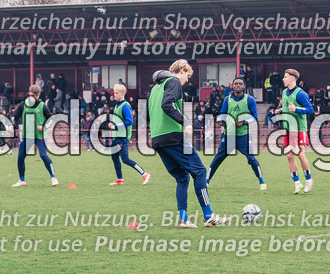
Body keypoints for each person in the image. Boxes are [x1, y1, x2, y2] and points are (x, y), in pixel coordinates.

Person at [147, 59, 229, 228]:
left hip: (157, 139)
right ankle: (209, 215)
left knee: (182, 177)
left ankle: (184, 219)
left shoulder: (155, 88)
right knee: (200, 171)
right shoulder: (174, 81)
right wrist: (185, 122)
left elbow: (150, 113)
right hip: (172, 136)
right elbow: (167, 105)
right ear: (182, 70)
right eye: (188, 76)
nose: (187, 80)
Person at [207, 77, 266, 190]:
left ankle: (261, 181)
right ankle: (207, 180)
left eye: (240, 84)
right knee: (218, 159)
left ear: (244, 86)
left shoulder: (250, 99)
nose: (238, 85)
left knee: (251, 159)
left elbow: (254, 117)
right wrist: (220, 119)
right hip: (229, 134)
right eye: (236, 84)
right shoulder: (227, 99)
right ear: (232, 86)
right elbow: (223, 113)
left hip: (244, 135)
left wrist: (244, 122)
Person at [275, 69, 314, 194]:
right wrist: (281, 110)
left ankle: (308, 180)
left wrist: (296, 109)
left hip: (299, 128)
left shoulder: (301, 93)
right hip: (288, 128)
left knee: (301, 155)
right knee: (289, 156)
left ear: (292, 78)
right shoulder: (284, 92)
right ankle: (297, 183)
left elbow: (310, 110)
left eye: (285, 77)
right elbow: (287, 107)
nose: (283, 79)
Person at [11, 84, 58, 187]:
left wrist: (44, 126)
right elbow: (14, 116)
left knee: (43, 155)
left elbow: (50, 119)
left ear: (39, 95)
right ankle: (22, 180)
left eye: (36, 95)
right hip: (27, 135)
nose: (35, 97)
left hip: (39, 136)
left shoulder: (42, 106)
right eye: (33, 95)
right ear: (29, 93)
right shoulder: (23, 104)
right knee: (20, 157)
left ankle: (53, 177)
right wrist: (12, 125)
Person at [104, 83, 150, 186]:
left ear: (123, 93)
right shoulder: (117, 105)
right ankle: (120, 179)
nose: (114, 95)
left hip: (122, 137)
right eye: (114, 93)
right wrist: (111, 123)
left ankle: (144, 173)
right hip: (116, 136)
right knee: (114, 158)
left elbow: (130, 121)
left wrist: (116, 126)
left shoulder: (125, 105)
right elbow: (117, 118)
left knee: (125, 159)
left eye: (117, 93)